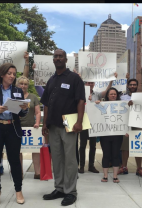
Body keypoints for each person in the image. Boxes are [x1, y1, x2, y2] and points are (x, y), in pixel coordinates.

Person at [41, 48, 85, 206]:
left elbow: (81, 100)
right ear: (53, 60)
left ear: (66, 60)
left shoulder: (74, 78)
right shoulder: (51, 80)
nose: (58, 58)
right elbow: (45, 103)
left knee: (70, 159)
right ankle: (59, 188)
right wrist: (45, 123)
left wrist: (79, 121)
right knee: (58, 158)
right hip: (52, 124)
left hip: (69, 122)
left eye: (61, 56)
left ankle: (71, 191)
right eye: (56, 56)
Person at [0, 63, 28, 204]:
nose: (12, 76)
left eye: (14, 74)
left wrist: (24, 108)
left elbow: (22, 113)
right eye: (9, 73)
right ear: (2, 74)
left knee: (15, 161)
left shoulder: (18, 90)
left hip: (13, 129)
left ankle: (18, 190)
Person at [79, 76, 117, 174]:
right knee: (82, 145)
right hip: (84, 121)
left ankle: (91, 165)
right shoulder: (81, 93)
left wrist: (111, 80)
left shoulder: (97, 94)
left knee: (93, 145)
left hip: (94, 122)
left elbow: (107, 91)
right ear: (85, 84)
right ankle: (81, 166)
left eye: (92, 83)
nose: (90, 84)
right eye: (88, 83)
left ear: (94, 84)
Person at [118, 78, 142, 177]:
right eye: (131, 85)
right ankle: (124, 167)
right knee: (125, 147)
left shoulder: (141, 97)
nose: (133, 86)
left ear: (137, 86)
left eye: (134, 85)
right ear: (128, 86)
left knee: (138, 146)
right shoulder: (122, 97)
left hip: (138, 124)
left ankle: (139, 168)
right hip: (126, 124)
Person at [96, 87, 123, 183]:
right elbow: (95, 113)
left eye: (115, 94)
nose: (113, 95)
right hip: (105, 134)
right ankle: (105, 176)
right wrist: (97, 104)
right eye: (111, 94)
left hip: (117, 134)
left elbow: (126, 118)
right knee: (106, 154)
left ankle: (115, 176)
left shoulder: (122, 105)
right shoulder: (102, 105)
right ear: (107, 95)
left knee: (116, 155)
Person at [16, 76, 41, 179]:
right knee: (18, 150)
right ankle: (19, 172)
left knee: (35, 149)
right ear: (17, 85)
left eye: (25, 84)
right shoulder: (14, 96)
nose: (23, 86)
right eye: (21, 84)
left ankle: (37, 172)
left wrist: (37, 122)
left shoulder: (33, 97)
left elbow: (38, 112)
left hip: (31, 127)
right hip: (17, 127)